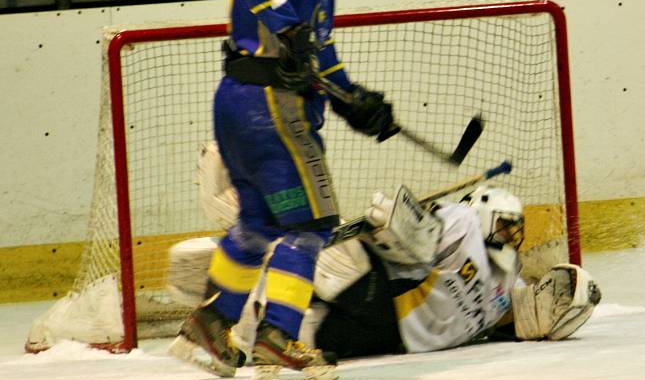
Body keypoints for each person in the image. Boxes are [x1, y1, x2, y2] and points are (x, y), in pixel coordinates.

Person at [168, 0, 395, 380]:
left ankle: (213, 324)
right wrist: (289, 32)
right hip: (269, 108)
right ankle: (278, 340)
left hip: (244, 106)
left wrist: (352, 98)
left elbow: (320, 51)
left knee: (260, 222)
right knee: (310, 225)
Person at [168, 145, 602, 363]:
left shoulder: (507, 283)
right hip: (381, 300)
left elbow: (526, 308)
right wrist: (398, 226)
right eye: (507, 226)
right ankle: (235, 217)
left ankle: (225, 321)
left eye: (517, 231)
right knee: (321, 263)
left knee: (304, 325)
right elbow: (414, 242)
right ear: (484, 213)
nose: (512, 237)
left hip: (386, 334)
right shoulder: (465, 223)